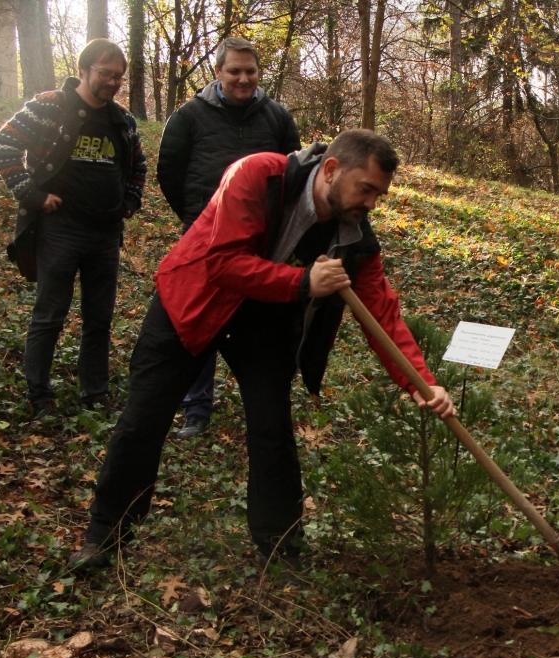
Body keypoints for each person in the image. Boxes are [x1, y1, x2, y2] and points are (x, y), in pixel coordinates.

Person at [67, 130, 456, 574]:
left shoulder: (353, 238)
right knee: (144, 419)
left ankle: (281, 548)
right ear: (331, 170)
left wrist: (421, 383)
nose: (371, 203)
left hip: (264, 319)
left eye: (378, 195)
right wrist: (301, 283)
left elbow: (383, 313)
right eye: (366, 189)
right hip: (194, 301)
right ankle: (103, 538)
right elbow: (222, 262)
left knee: (271, 427)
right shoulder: (257, 174)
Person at [0, 39, 147, 419]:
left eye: (118, 77)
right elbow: (3, 144)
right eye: (104, 73)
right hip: (60, 230)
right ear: (84, 69)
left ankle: (94, 392)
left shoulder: (122, 120)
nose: (111, 82)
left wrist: (129, 202)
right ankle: (39, 395)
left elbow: (138, 165)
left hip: (105, 233)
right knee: (50, 313)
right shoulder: (50, 106)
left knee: (100, 317)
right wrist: (32, 195)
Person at [157, 37, 302, 439]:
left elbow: (294, 176)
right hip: (203, 240)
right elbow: (169, 173)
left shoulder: (276, 117)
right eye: (234, 71)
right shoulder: (189, 116)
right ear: (217, 72)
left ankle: (262, 404)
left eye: (250, 71)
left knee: (256, 325)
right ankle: (196, 407)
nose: (243, 79)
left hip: (261, 245)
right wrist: (197, 219)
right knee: (202, 319)